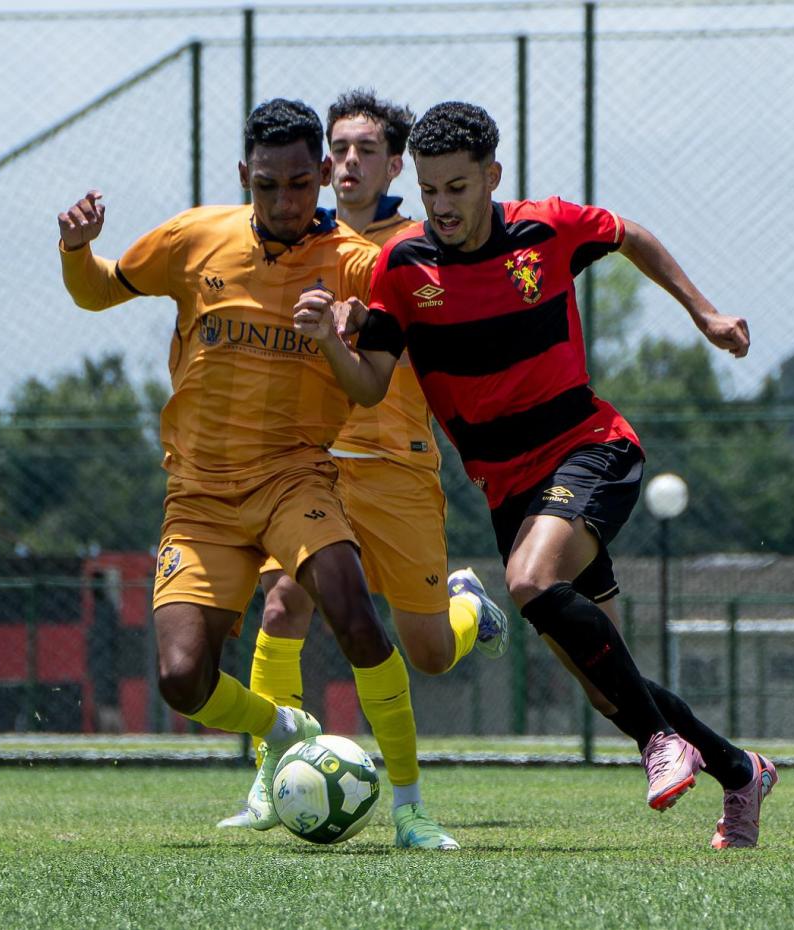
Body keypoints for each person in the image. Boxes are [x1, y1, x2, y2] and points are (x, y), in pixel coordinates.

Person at [293, 101, 778, 850]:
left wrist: (704, 315)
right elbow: (368, 384)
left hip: (590, 448)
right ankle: (740, 771)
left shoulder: (544, 229)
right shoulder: (404, 268)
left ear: (491, 175)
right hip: (506, 486)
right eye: (429, 192)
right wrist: (331, 340)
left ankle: (662, 745)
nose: (442, 206)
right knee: (607, 680)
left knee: (525, 581)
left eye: (458, 188)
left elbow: (629, 234)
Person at [57, 98, 458, 850]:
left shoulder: (353, 262)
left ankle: (409, 808)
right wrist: (77, 250)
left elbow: (396, 345)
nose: (284, 201)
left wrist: (357, 332)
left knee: (351, 607)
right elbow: (98, 289)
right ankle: (283, 725)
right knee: (182, 678)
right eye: (268, 184)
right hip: (199, 499)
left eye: (301, 184)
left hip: (293, 482)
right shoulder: (194, 237)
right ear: (245, 174)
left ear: (321, 180)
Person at [216, 89, 509, 844]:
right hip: (308, 466)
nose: (350, 161)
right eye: (338, 149)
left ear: (393, 164)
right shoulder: (286, 240)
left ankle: (470, 604)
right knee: (283, 606)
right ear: (321, 165)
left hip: (396, 463)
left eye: (366, 150)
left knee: (430, 653)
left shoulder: (417, 245)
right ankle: (272, 776)